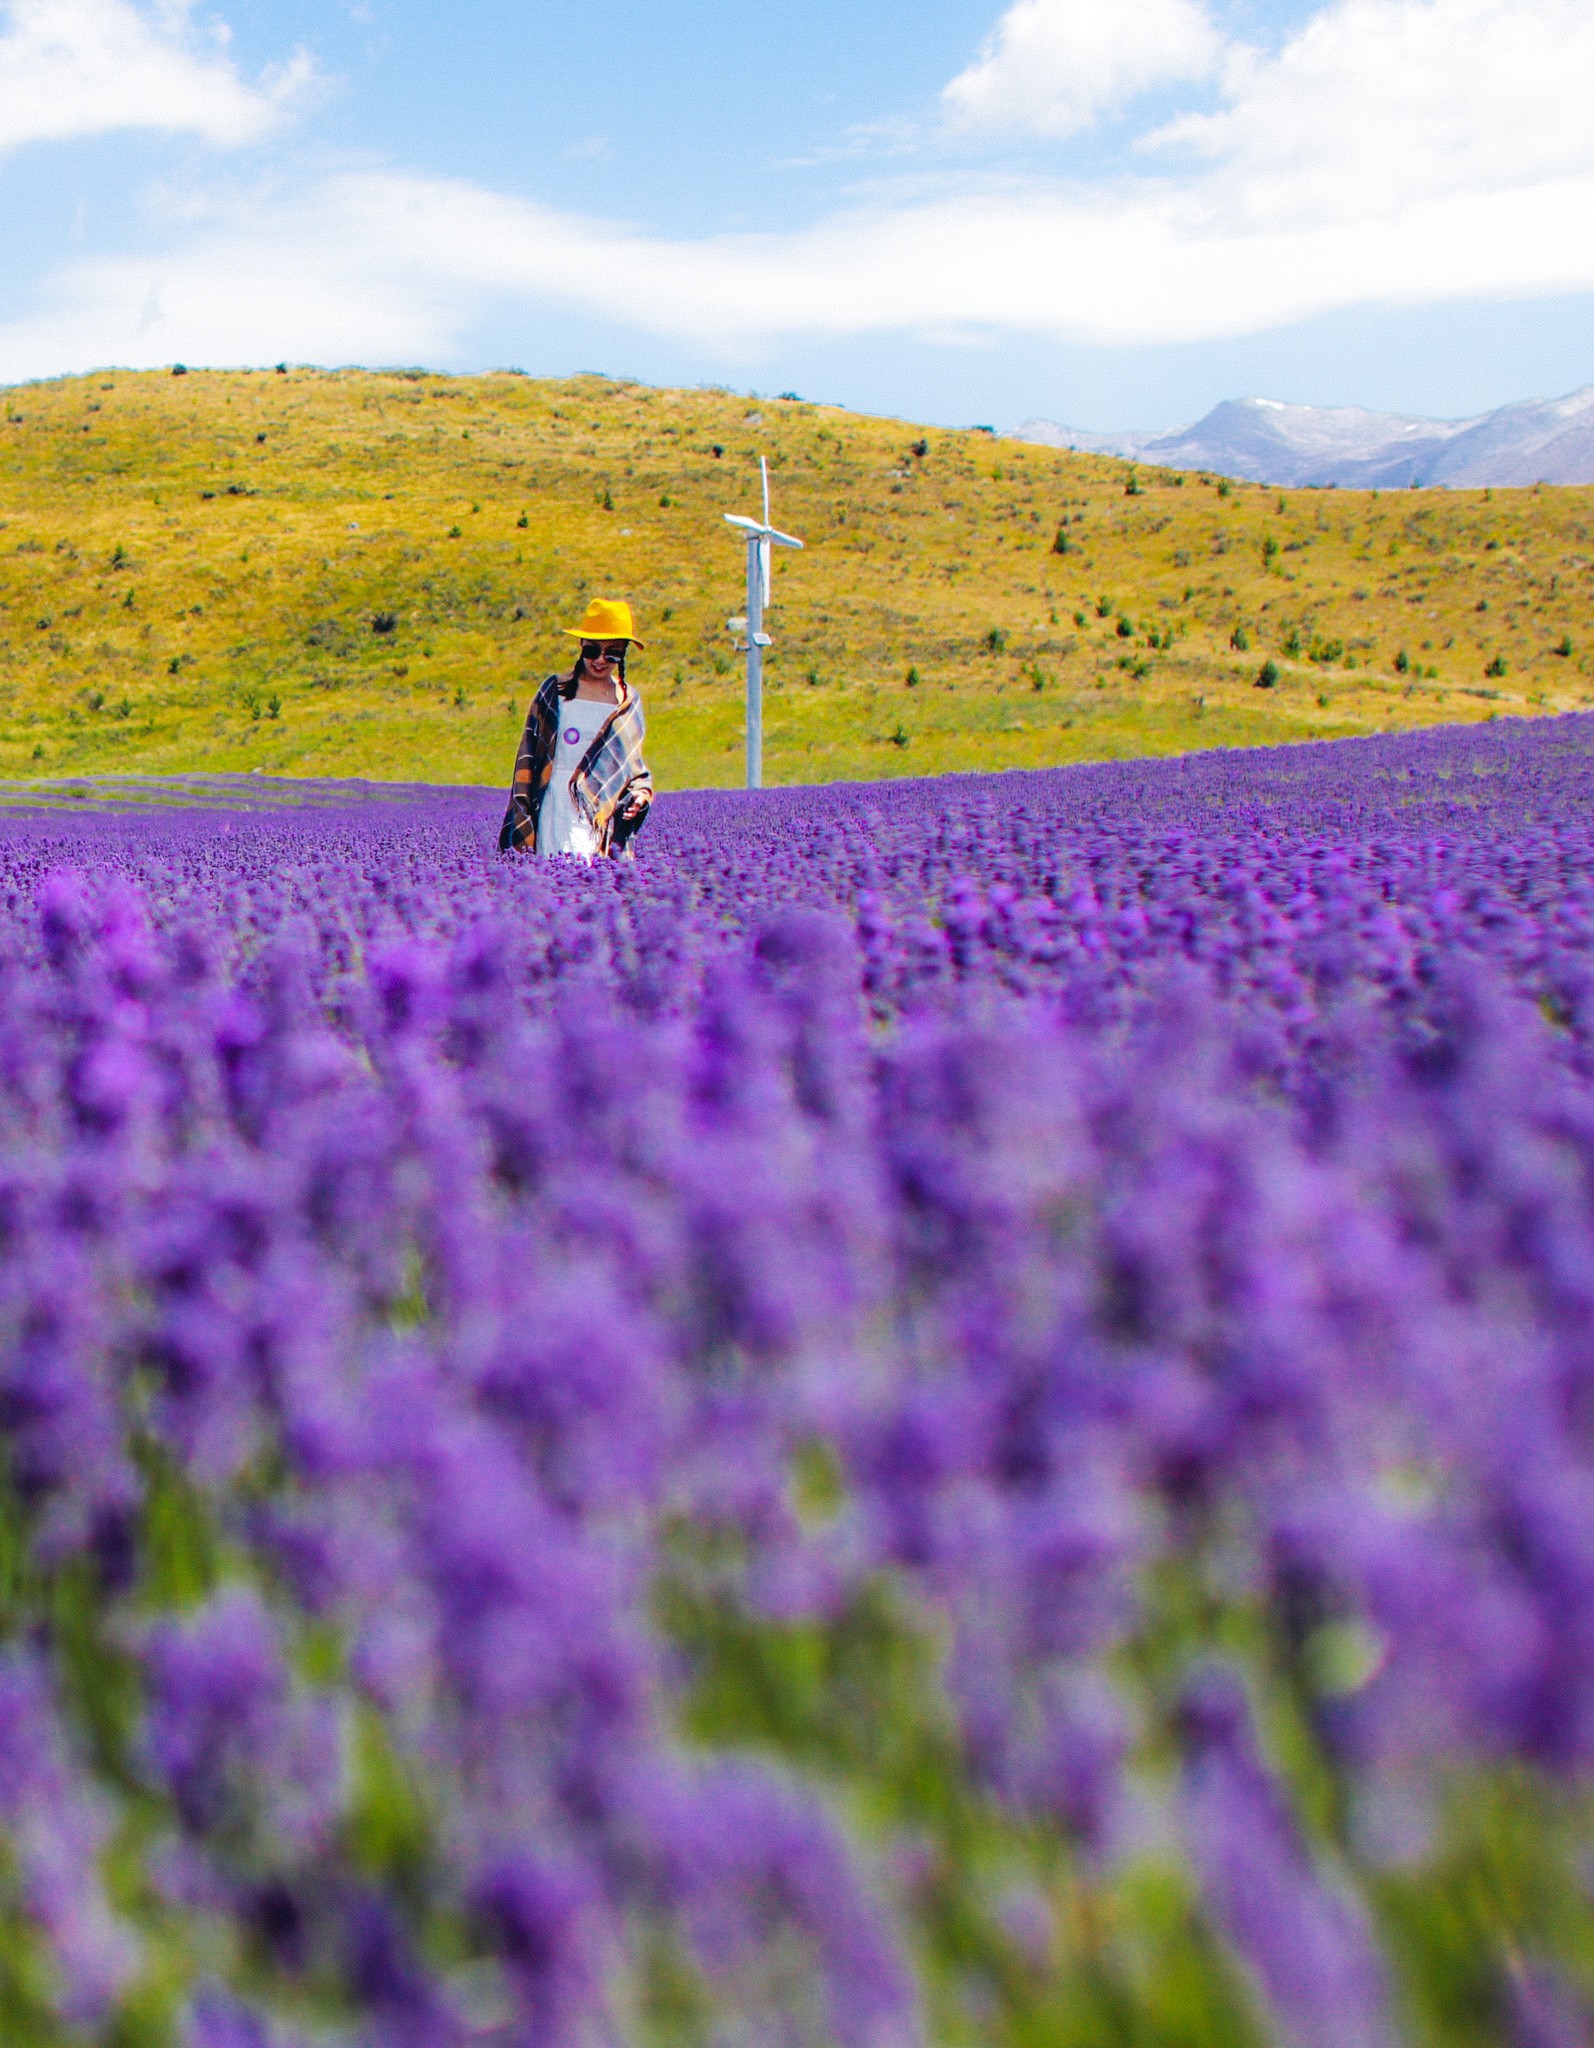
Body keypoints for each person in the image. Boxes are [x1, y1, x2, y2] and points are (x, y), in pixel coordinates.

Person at [498, 598, 654, 858]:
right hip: (556, 804)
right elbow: (527, 759)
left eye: (612, 653)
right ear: (581, 646)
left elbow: (635, 769)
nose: (601, 660)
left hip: (601, 814)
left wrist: (639, 796)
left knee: (596, 885)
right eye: (593, 651)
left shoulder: (627, 702)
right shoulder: (554, 692)